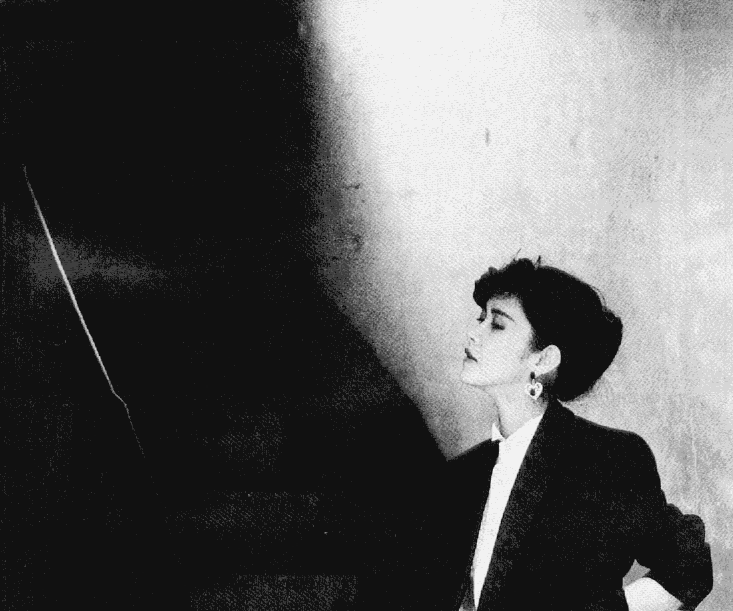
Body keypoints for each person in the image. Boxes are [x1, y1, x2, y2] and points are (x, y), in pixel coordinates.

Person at [408, 257, 713, 611]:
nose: (474, 333)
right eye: (481, 318)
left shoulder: (608, 458)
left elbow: (688, 564)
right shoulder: (461, 475)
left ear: (543, 359)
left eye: (497, 324)